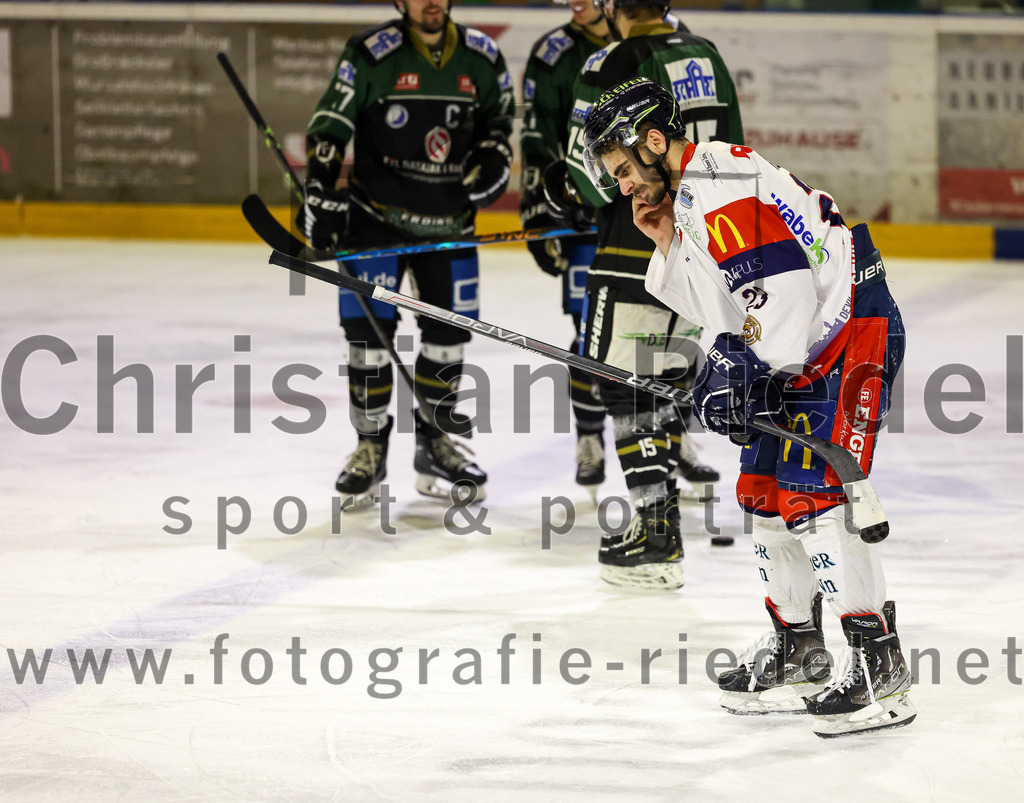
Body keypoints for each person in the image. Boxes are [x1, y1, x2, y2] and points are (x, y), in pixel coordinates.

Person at [582, 77, 915, 737]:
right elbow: (724, 307)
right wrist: (666, 246)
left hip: (849, 336)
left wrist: (743, 365)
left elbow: (783, 298)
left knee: (814, 498)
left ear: (654, 140)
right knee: (764, 490)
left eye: (624, 169)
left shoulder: (722, 192)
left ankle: (879, 663)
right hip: (803, 346)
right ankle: (799, 646)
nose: (622, 186)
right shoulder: (692, 195)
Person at [546, 0, 743, 590]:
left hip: (638, 240)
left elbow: (594, 174)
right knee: (662, 380)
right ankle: (661, 517)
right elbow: (728, 147)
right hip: (702, 242)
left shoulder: (615, 59)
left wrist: (558, 189)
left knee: (624, 384)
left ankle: (656, 534)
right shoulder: (705, 52)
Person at [300, 0, 515, 508]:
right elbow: (330, 128)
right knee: (367, 340)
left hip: (451, 224)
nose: (431, 2)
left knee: (447, 339)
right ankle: (369, 448)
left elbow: (499, 123)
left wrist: (494, 155)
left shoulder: (481, 57)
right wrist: (320, 192)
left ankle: (435, 442)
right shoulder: (372, 54)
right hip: (374, 221)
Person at [519, 1, 611, 499]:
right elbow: (538, 138)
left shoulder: (659, 37)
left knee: (664, 332)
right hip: (583, 218)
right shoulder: (554, 54)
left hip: (647, 215)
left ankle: (674, 437)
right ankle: (590, 438)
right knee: (587, 331)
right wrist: (539, 209)